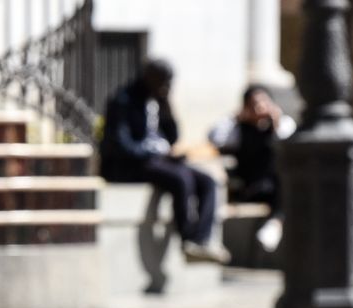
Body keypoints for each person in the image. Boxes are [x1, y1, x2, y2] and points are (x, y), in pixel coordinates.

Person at [100, 57, 232, 265]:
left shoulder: (158, 101)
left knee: (207, 181)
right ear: (149, 77)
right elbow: (120, 144)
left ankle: (202, 240)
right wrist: (153, 154)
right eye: (163, 81)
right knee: (182, 178)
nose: (166, 86)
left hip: (159, 160)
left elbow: (173, 137)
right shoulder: (123, 100)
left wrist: (167, 107)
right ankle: (188, 239)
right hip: (131, 165)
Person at [210, 84, 295, 253]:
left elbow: (290, 141)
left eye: (264, 102)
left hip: (276, 184)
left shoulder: (281, 124)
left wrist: (276, 121)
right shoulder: (238, 129)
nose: (260, 108)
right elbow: (215, 137)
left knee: (288, 186)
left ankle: (275, 224)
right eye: (254, 104)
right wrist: (236, 118)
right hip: (252, 185)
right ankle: (275, 225)